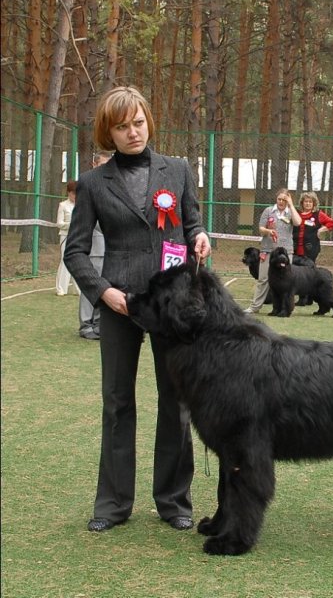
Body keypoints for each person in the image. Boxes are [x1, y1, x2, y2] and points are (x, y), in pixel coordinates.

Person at [64, 86, 211, 533]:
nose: (133, 132)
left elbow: (193, 224)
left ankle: (173, 501)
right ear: (108, 132)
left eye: (139, 122)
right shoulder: (92, 183)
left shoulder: (179, 170)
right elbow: (75, 252)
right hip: (119, 303)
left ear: (149, 119)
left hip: (173, 305)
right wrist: (104, 293)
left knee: (176, 401)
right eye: (122, 126)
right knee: (117, 402)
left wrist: (202, 237)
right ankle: (112, 503)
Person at [243, 188, 301, 314]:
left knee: (286, 281)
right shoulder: (268, 211)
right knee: (263, 279)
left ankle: (285, 308)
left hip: (286, 252)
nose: (281, 202)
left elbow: (298, 222)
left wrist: (291, 205)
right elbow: (261, 229)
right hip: (268, 251)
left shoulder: (291, 212)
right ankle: (255, 307)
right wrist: (268, 231)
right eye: (279, 199)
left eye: (284, 200)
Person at [78, 150, 113, 340]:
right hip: (94, 249)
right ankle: (85, 324)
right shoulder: (87, 185)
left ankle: (100, 324)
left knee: (105, 288)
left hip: (111, 250)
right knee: (90, 287)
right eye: (101, 165)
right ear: (94, 165)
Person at [292, 191, 333, 263]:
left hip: (311, 249)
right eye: (306, 201)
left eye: (310, 202)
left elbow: (332, 223)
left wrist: (321, 230)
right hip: (294, 249)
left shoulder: (318, 214)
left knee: (309, 271)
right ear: (302, 203)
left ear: (314, 204)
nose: (308, 203)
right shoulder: (296, 214)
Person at [55, 180, 80, 296]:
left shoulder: (81, 205)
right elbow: (59, 223)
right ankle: (61, 288)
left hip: (78, 236)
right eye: (73, 193)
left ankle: (78, 288)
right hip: (66, 236)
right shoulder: (63, 205)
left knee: (78, 260)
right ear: (68, 193)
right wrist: (70, 224)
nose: (74, 196)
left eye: (76, 193)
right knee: (65, 261)